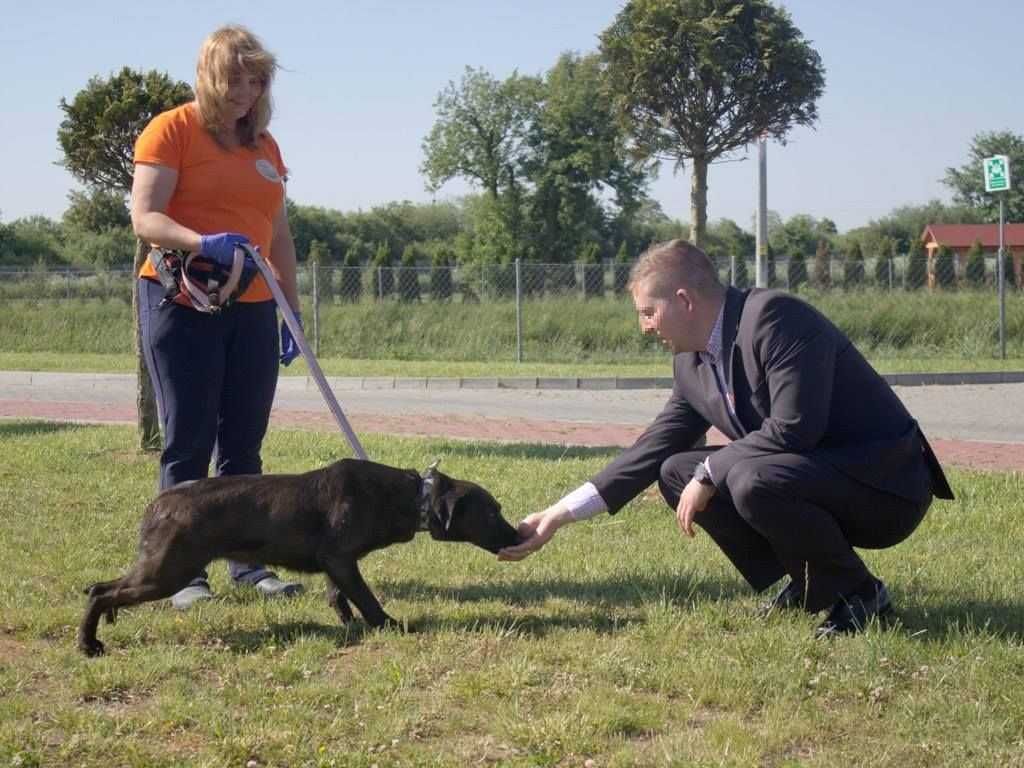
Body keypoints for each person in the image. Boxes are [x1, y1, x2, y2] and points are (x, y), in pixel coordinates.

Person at [498, 239, 954, 637]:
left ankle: (860, 594)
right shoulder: (690, 363)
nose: (645, 327)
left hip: (885, 487)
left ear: (683, 300)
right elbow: (652, 448)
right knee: (676, 470)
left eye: (648, 312)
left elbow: (795, 428)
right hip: (808, 478)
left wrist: (712, 469)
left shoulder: (775, 318)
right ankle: (810, 581)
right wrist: (559, 514)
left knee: (748, 476)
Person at [131, 25, 305, 609]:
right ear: (209, 74)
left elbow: (277, 231)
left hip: (253, 310)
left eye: (256, 80)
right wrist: (204, 241)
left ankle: (248, 565)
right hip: (182, 303)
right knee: (188, 441)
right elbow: (146, 217)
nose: (246, 91)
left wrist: (292, 310)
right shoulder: (172, 129)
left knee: (244, 446)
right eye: (235, 77)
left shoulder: (266, 147)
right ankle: (179, 573)